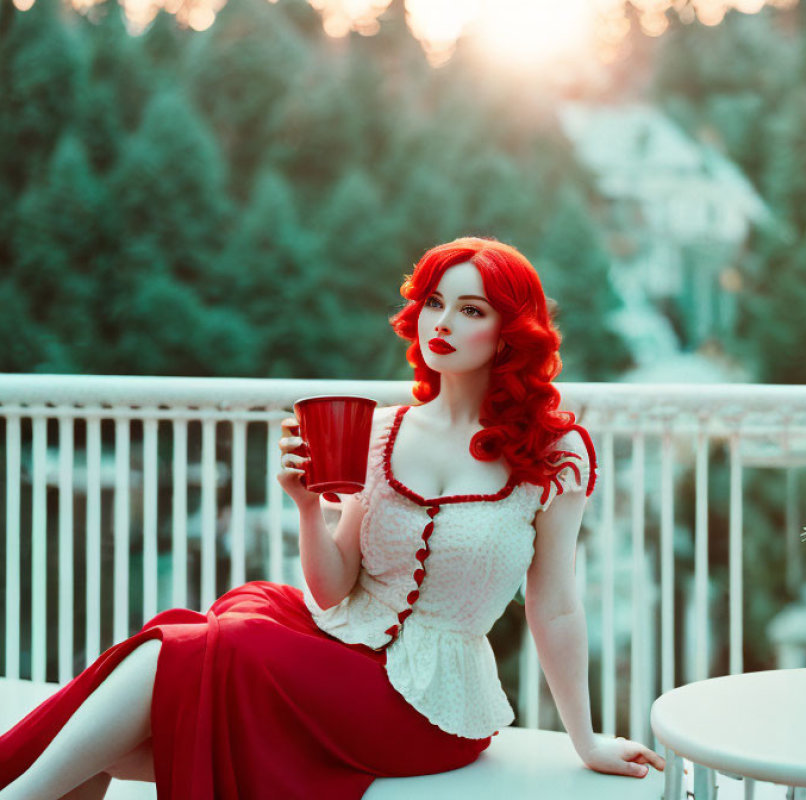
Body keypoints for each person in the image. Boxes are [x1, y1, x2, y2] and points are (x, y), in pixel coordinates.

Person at [0, 237, 664, 799]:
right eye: (434, 302)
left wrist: (586, 739)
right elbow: (333, 588)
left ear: (509, 332)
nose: (443, 322)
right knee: (169, 660)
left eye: (470, 309)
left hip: (431, 705)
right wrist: (307, 506)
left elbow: (555, 606)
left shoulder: (554, 452)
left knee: (206, 650)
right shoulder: (377, 433)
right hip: (331, 641)